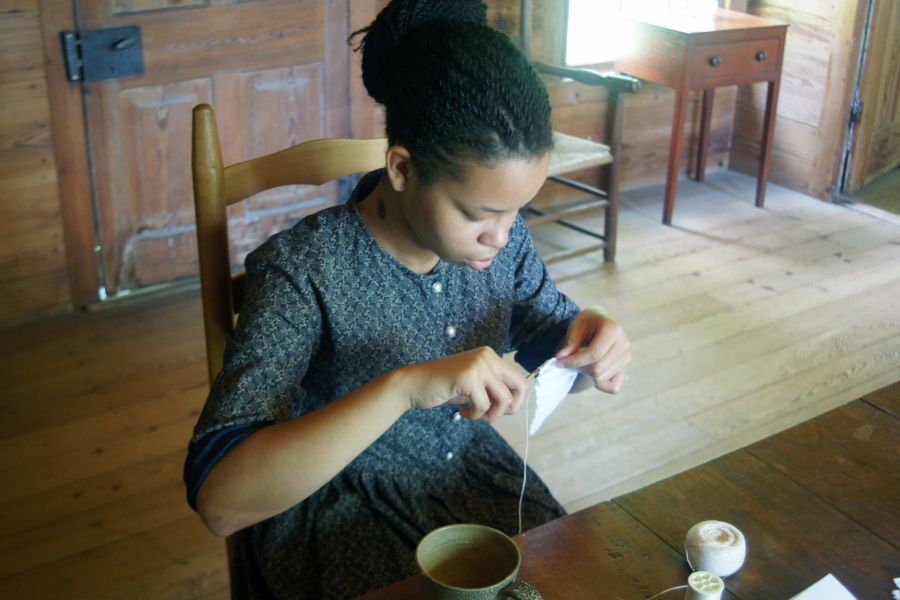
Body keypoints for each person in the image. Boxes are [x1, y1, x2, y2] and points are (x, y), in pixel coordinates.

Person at [183, 0, 632, 597]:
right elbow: (222, 501)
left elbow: (554, 342)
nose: (502, 235)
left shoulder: (502, 241)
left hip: (470, 478)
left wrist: (591, 338)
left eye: (518, 208)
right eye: (479, 213)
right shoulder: (304, 270)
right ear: (401, 167)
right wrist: (403, 387)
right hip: (336, 508)